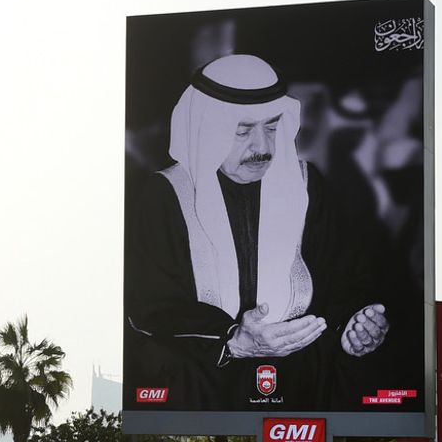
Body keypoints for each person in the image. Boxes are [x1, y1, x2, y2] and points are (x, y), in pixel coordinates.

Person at [127, 53, 390, 408]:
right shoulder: (165, 195)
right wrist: (233, 339)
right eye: (243, 130)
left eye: (271, 127)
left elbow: (342, 280)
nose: (262, 147)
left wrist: (353, 325)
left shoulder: (307, 186)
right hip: (205, 379)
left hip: (301, 382)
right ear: (207, 128)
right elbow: (151, 306)